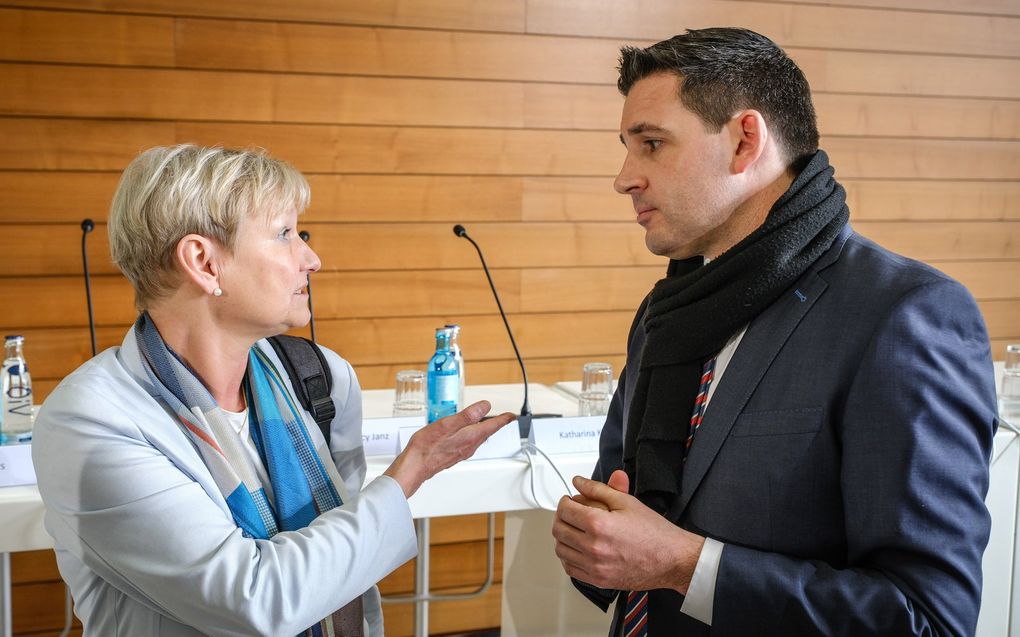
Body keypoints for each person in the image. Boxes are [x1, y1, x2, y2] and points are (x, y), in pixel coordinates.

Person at [551, 27, 997, 636]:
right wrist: (597, 537)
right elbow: (624, 504)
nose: (624, 177)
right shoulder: (670, 306)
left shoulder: (905, 315)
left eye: (651, 144)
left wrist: (684, 566)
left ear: (744, 143)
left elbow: (929, 619)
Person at [32, 144, 514, 636]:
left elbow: (340, 568)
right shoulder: (90, 422)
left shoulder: (320, 376)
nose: (311, 259)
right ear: (203, 262)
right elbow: (253, 601)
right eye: (284, 235)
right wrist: (409, 473)